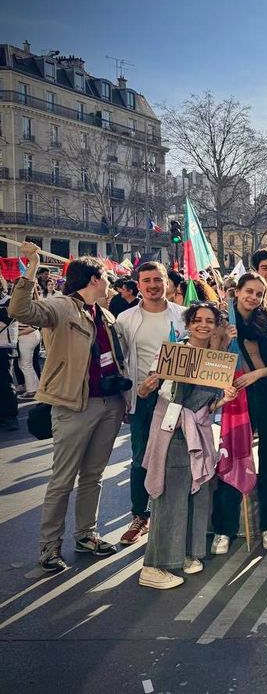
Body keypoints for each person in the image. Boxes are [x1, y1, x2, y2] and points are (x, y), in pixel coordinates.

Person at [9, 243, 128, 573]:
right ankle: (49, 546)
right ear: (94, 279)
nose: (109, 283)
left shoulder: (104, 314)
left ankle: (86, 535)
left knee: (93, 476)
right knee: (63, 480)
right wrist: (32, 266)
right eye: (105, 277)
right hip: (74, 405)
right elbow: (20, 310)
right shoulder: (61, 307)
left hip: (109, 403)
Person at [136, 302, 238, 589]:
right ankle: (154, 566)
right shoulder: (172, 352)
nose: (203, 325)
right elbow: (145, 390)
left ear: (216, 326)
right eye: (197, 320)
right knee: (170, 497)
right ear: (188, 324)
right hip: (173, 432)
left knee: (196, 494)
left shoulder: (218, 361)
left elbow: (208, 407)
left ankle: (184, 554)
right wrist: (147, 386)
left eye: (209, 321)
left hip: (198, 433)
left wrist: (224, 400)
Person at [210, 272, 267, 553]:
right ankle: (224, 529)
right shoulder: (222, 323)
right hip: (237, 398)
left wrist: (256, 374)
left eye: (259, 293)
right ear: (237, 292)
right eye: (249, 291)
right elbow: (215, 361)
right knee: (233, 457)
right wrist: (224, 340)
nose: (253, 297)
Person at [115, 262, 187, 545]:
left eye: (158, 279)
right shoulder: (125, 319)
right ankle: (140, 516)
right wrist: (129, 397)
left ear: (167, 282)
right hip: (144, 397)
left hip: (179, 396)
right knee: (140, 458)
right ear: (139, 285)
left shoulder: (183, 315)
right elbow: (120, 362)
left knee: (178, 456)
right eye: (147, 281)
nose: (153, 285)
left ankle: (176, 515)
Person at [15, 282, 42, 401]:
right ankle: (34, 388)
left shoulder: (30, 304)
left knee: (26, 365)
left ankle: (32, 390)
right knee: (25, 364)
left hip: (28, 337)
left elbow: (35, 326)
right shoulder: (33, 303)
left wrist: (18, 334)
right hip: (30, 336)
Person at [0, 276, 19, 431]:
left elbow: (4, 322)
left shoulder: (9, 301)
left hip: (5, 347)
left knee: (5, 382)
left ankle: (11, 416)